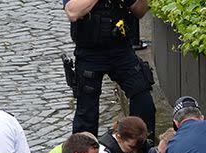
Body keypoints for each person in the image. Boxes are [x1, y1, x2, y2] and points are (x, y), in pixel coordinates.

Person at [63, 0, 156, 139]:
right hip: (89, 52)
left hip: (121, 50)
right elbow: (73, 11)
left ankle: (141, 152)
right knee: (86, 114)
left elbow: (140, 11)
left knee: (144, 101)